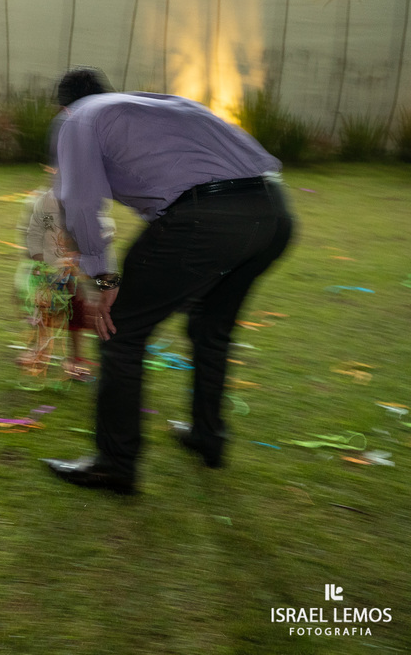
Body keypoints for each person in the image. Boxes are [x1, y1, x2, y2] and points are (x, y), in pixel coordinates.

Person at [41, 68, 295, 495]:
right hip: (274, 213)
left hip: (206, 219)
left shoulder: (78, 119)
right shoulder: (155, 104)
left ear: (64, 107)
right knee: (210, 326)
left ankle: (115, 464)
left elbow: (81, 202)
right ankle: (207, 436)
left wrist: (103, 280)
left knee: (119, 330)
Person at [17, 185, 115, 379]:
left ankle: (75, 359)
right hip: (49, 267)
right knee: (43, 310)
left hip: (76, 272)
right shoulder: (44, 204)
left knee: (77, 313)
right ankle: (39, 351)